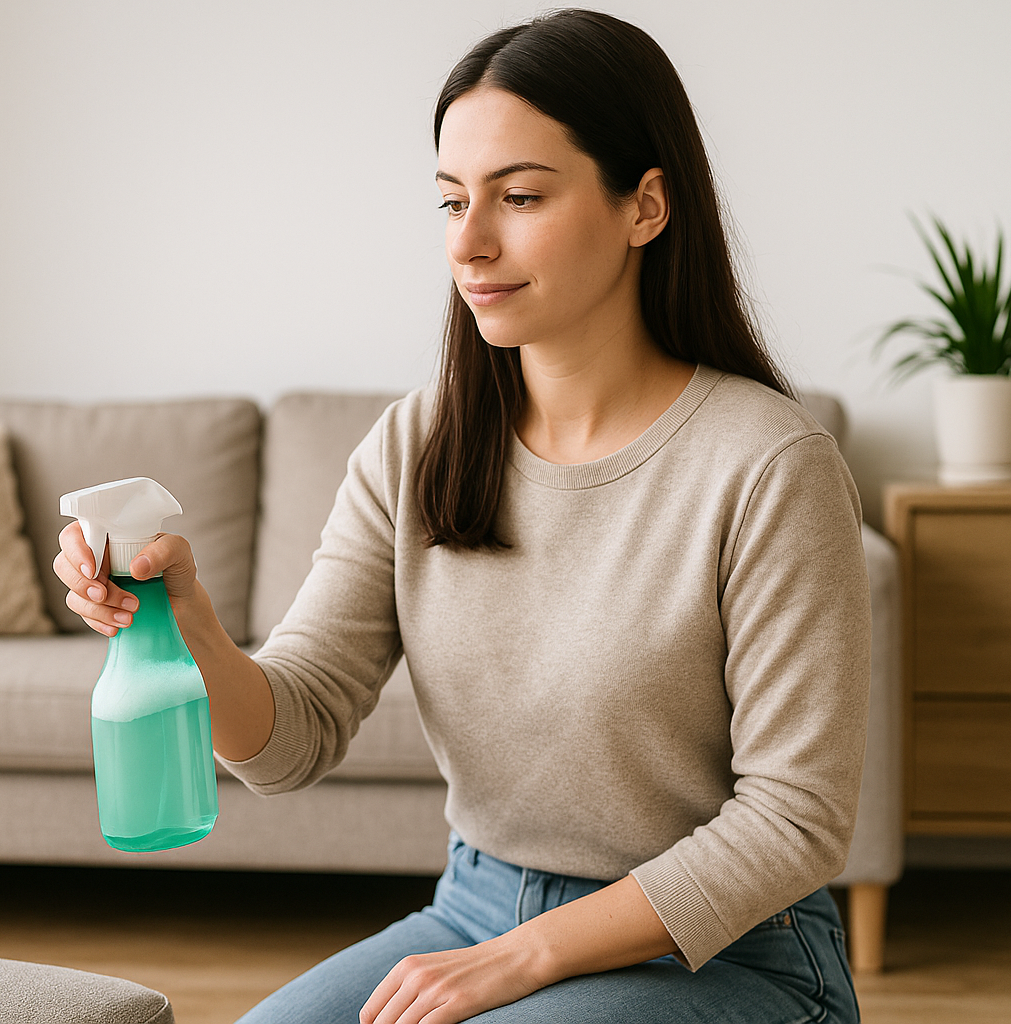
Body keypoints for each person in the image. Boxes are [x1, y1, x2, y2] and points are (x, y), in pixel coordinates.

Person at [54, 9, 869, 1023]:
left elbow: (796, 820)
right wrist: (191, 628)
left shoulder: (766, 464)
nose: (471, 243)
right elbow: (293, 735)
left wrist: (528, 958)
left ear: (646, 206)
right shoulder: (420, 443)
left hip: (733, 949)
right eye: (450, 202)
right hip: (475, 907)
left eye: (520, 197)